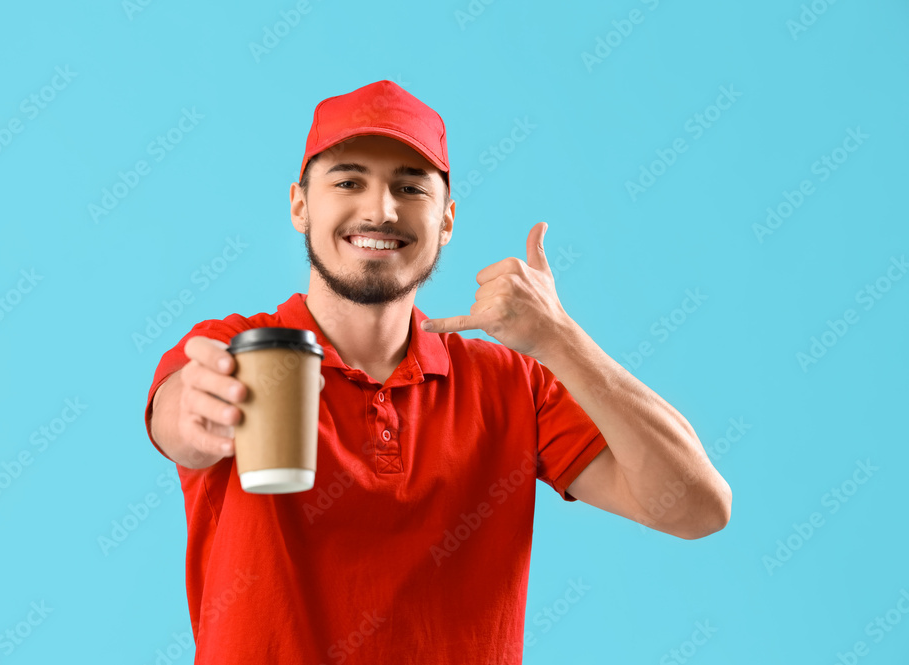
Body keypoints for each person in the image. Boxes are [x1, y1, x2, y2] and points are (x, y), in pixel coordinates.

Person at [144, 80, 732, 664]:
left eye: (410, 187)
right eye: (349, 181)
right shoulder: (236, 349)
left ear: (446, 221)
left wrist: (561, 339)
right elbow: (181, 423)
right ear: (300, 205)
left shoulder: (515, 382)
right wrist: (199, 415)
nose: (380, 209)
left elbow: (696, 508)